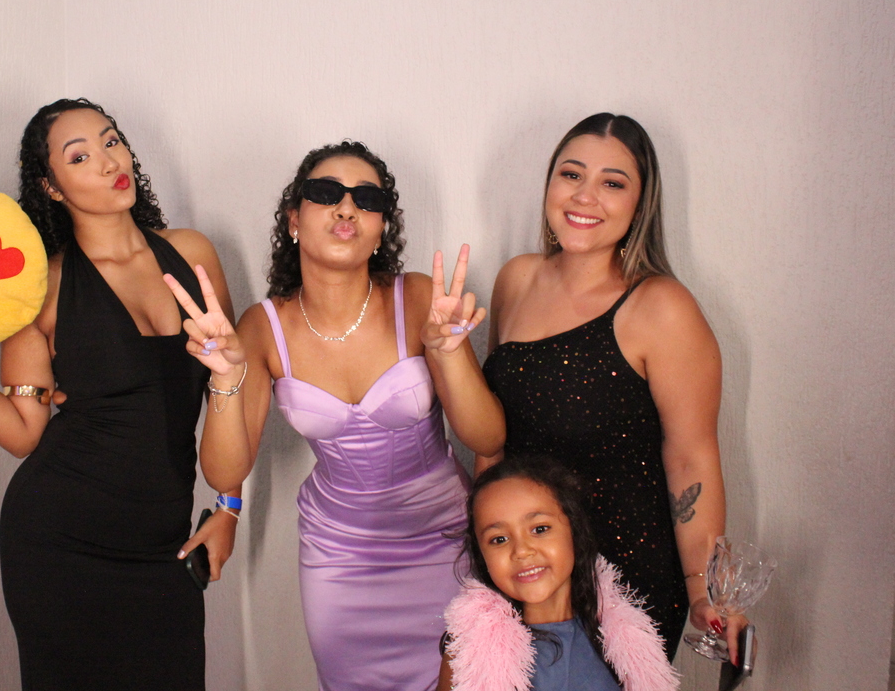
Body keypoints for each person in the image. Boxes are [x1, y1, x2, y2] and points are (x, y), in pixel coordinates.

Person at [0, 98, 242, 690]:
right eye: (79, 156)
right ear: (51, 187)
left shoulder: (194, 254)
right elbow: (23, 433)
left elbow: (230, 391)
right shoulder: (43, 288)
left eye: (111, 141)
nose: (108, 161)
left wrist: (229, 505)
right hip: (60, 543)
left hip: (164, 541)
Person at [214, 141, 504, 691]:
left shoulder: (417, 298)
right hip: (339, 557)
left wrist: (448, 354)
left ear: (380, 230)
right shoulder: (263, 327)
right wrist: (225, 378)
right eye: (326, 193)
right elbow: (225, 472)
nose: (346, 207)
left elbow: (487, 437)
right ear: (293, 219)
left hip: (444, 541)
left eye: (366, 199)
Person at [467, 112, 743, 660]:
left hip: (627, 577)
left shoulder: (661, 307)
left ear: (640, 205)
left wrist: (702, 591)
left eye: (612, 183)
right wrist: (485, 554)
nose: (585, 196)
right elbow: (495, 435)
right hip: (525, 567)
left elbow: (690, 459)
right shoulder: (516, 279)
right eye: (571, 174)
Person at [437, 456, 679, 691]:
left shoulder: (624, 640)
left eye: (540, 529)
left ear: (574, 530)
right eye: (499, 539)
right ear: (482, 555)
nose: (522, 551)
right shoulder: (469, 652)